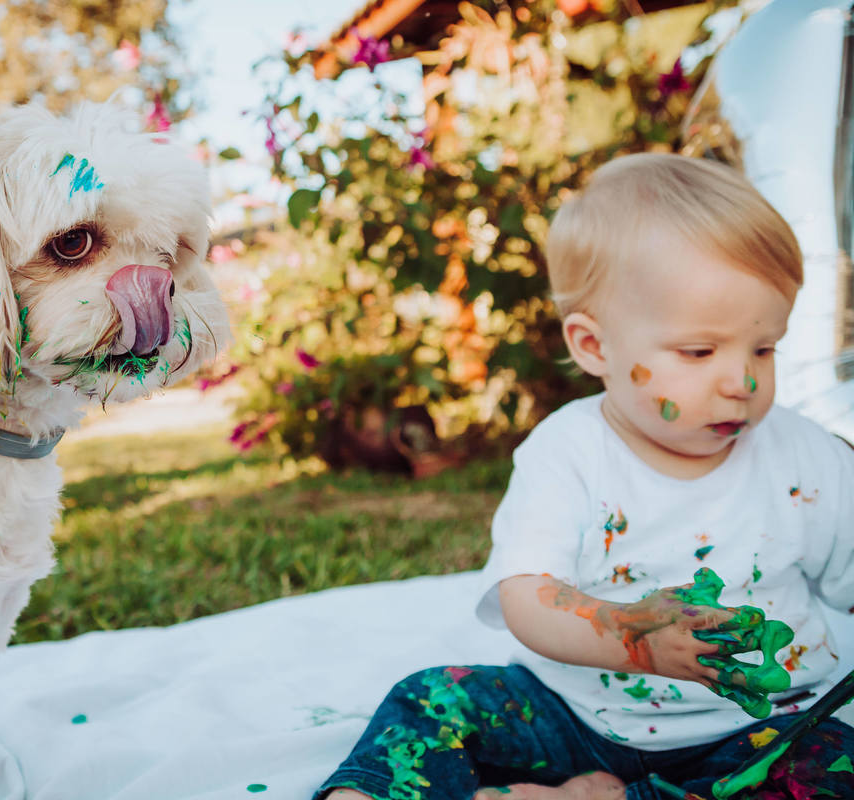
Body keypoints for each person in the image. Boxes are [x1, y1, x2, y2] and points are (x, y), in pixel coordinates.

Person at [314, 154, 854, 800]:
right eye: (699, 351)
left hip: (758, 731)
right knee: (431, 699)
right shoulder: (568, 451)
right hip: (575, 716)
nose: (742, 381)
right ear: (594, 346)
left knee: (831, 767)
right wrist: (634, 639)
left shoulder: (806, 455)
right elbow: (528, 596)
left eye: (764, 349)